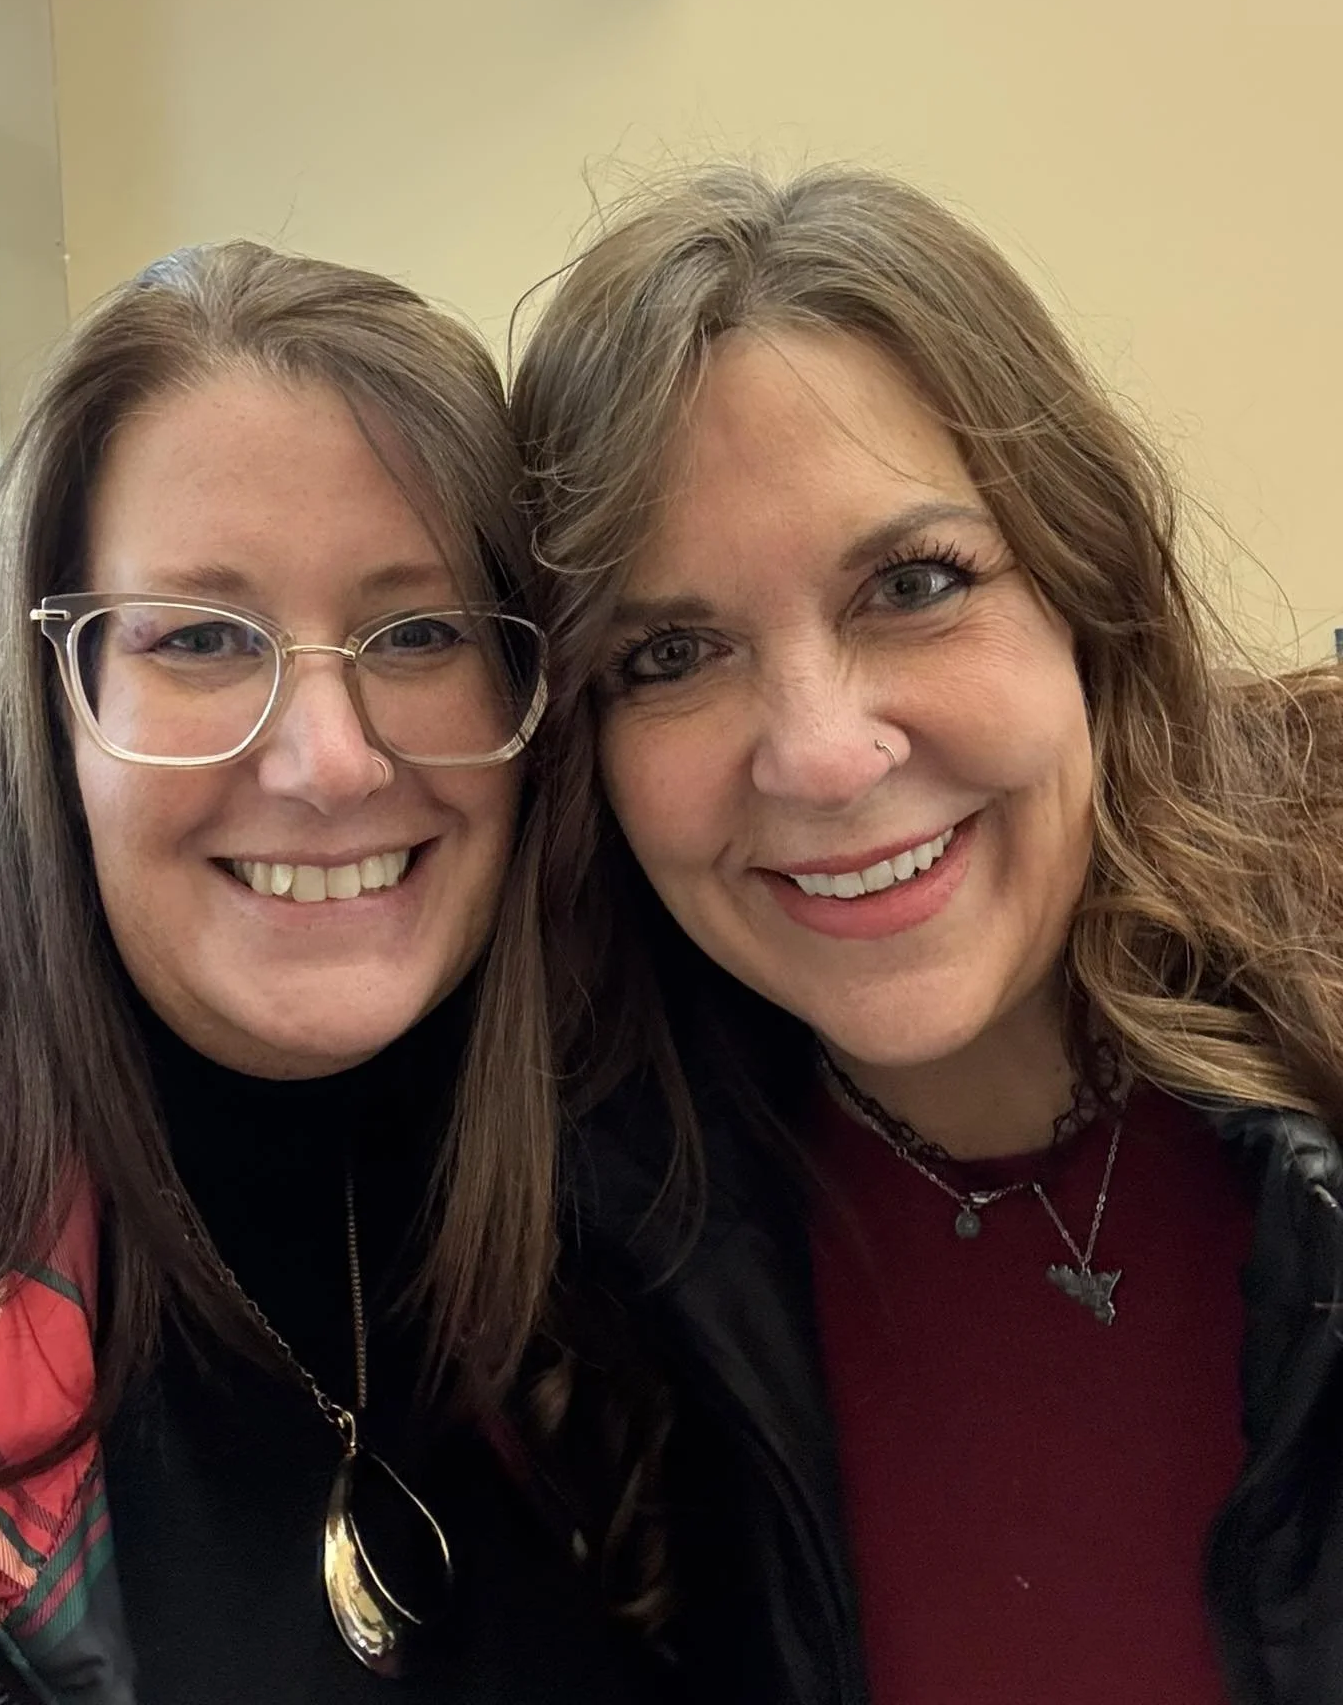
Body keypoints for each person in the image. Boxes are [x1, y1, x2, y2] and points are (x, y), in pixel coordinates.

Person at [511, 166, 1343, 1705]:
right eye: (673, 653)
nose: (820, 755)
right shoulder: (584, 1298)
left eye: (914, 585)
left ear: (1091, 598)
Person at [0, 243, 658, 1704]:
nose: (328, 759)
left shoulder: (621, 1172)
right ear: (54, 702)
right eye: (201, 637)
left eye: (418, 632)